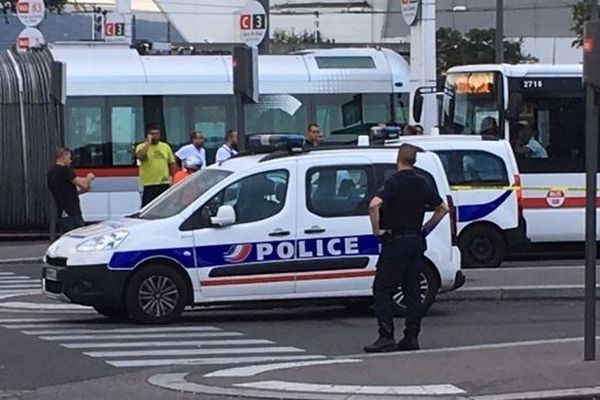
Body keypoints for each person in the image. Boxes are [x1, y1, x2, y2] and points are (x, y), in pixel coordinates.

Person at [365, 144, 449, 353]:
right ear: (414, 161)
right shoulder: (422, 183)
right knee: (412, 291)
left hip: (396, 242)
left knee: (382, 289)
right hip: (416, 241)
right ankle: (411, 337)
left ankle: (386, 336)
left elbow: (374, 205)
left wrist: (378, 230)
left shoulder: (393, 182)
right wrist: (426, 227)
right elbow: (443, 208)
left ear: (398, 159)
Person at [47, 148, 95, 234]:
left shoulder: (51, 173)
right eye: (69, 157)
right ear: (63, 156)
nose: (70, 160)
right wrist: (89, 178)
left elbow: (71, 190)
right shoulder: (65, 170)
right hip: (73, 212)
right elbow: (82, 184)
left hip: (62, 213)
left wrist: (85, 186)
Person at [135, 123, 177, 207]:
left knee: (164, 207)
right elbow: (141, 157)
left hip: (163, 183)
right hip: (148, 184)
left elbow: (172, 163)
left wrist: (174, 179)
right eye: (152, 134)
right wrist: (148, 143)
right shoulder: (141, 146)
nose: (155, 136)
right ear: (148, 135)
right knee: (147, 207)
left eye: (157, 134)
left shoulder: (165, 146)